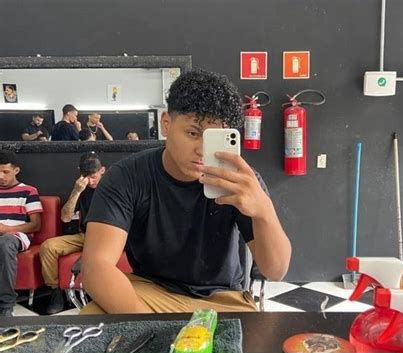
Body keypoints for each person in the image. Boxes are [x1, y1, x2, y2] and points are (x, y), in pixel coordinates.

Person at [80, 69, 291, 315]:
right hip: (149, 292)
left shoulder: (241, 182)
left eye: (214, 137)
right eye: (193, 133)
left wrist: (264, 211)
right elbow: (95, 267)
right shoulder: (126, 177)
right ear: (166, 124)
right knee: (92, 316)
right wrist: (155, 329)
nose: (202, 149)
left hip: (221, 298)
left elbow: (276, 271)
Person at [39, 153, 105, 314]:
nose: (90, 181)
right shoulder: (81, 189)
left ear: (102, 170)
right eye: (86, 177)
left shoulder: (113, 187)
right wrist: (76, 191)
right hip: (84, 235)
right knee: (48, 246)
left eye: (94, 176)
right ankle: (56, 291)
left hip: (106, 236)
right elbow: (65, 218)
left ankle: (100, 293)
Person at [0, 150, 43, 317]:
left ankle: (6, 303)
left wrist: (6, 229)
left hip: (16, 235)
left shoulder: (28, 191)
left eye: (5, 172)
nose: (1, 176)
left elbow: (35, 225)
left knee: (5, 242)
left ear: (16, 170)